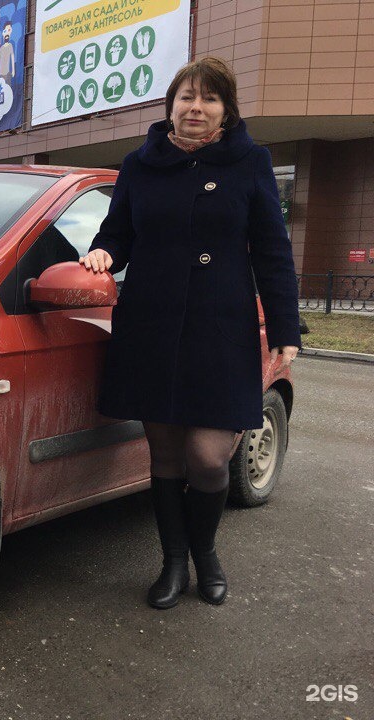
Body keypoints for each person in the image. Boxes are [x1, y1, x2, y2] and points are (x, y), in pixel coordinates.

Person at [77, 57, 301, 609]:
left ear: (226, 110)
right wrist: (106, 250)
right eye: (185, 97)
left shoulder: (251, 163)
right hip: (153, 325)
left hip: (220, 327)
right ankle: (173, 563)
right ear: (171, 105)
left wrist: (285, 325)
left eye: (209, 99)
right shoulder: (139, 164)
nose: (195, 108)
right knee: (166, 456)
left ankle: (206, 553)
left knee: (207, 457)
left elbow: (273, 252)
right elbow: (118, 230)